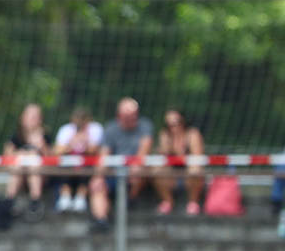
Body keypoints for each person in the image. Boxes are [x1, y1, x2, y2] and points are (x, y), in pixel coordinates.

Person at [87, 97, 154, 231]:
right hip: (114, 174)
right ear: (119, 115)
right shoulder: (111, 128)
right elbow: (104, 155)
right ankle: (101, 219)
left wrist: (135, 166)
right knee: (97, 185)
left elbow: (144, 150)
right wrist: (98, 176)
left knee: (138, 173)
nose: (131, 118)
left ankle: (129, 200)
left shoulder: (145, 126)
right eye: (127, 116)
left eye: (134, 115)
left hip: (135, 173)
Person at [52, 107, 103, 213]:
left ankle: (81, 198)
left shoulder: (95, 128)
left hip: (88, 164)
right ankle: (65, 197)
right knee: (64, 165)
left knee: (87, 166)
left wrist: (85, 142)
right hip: (69, 164)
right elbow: (56, 151)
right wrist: (71, 144)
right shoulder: (66, 129)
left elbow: (94, 150)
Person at [2, 103, 49, 219]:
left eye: (35, 116)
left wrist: (41, 146)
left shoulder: (45, 135)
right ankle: (10, 201)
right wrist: (23, 154)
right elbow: (6, 156)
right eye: (30, 115)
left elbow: (52, 158)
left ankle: (35, 200)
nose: (32, 119)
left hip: (41, 175)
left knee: (32, 159)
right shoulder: (16, 136)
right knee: (20, 160)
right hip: (20, 175)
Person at [156, 108, 205, 215]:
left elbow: (197, 156)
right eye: (169, 124)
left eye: (176, 123)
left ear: (183, 121)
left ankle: (193, 202)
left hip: (189, 173)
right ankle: (167, 201)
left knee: (195, 168)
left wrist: (177, 152)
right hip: (172, 174)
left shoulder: (192, 134)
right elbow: (163, 156)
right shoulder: (165, 135)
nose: (173, 127)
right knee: (157, 170)